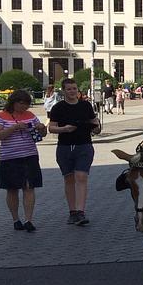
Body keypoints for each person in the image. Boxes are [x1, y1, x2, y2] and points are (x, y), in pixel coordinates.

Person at [47, 78, 100, 226]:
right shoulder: (58, 107)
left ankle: (80, 211)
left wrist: (96, 126)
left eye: (74, 88)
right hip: (65, 147)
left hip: (84, 145)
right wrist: (64, 129)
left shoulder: (85, 105)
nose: (72, 91)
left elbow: (94, 123)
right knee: (69, 179)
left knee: (81, 176)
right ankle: (72, 212)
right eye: (69, 89)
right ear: (63, 91)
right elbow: (51, 128)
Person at [0, 89, 46, 232]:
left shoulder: (30, 115)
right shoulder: (1, 116)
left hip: (30, 156)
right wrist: (15, 127)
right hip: (9, 158)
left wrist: (41, 128)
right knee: (12, 189)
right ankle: (16, 219)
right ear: (13, 102)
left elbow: (42, 134)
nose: (24, 107)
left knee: (29, 187)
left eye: (26, 104)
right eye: (21, 103)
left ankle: (28, 220)